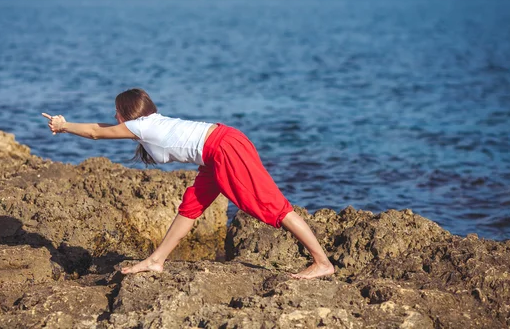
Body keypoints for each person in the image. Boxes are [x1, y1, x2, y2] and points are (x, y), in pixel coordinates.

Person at [42, 88, 335, 279]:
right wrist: (69, 125)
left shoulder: (141, 127)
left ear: (127, 113)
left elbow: (96, 132)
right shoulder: (147, 123)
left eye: (116, 111)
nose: (113, 117)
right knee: (191, 206)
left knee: (272, 206)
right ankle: (157, 260)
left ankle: (322, 262)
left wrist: (64, 126)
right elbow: (105, 129)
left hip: (224, 148)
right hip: (215, 151)